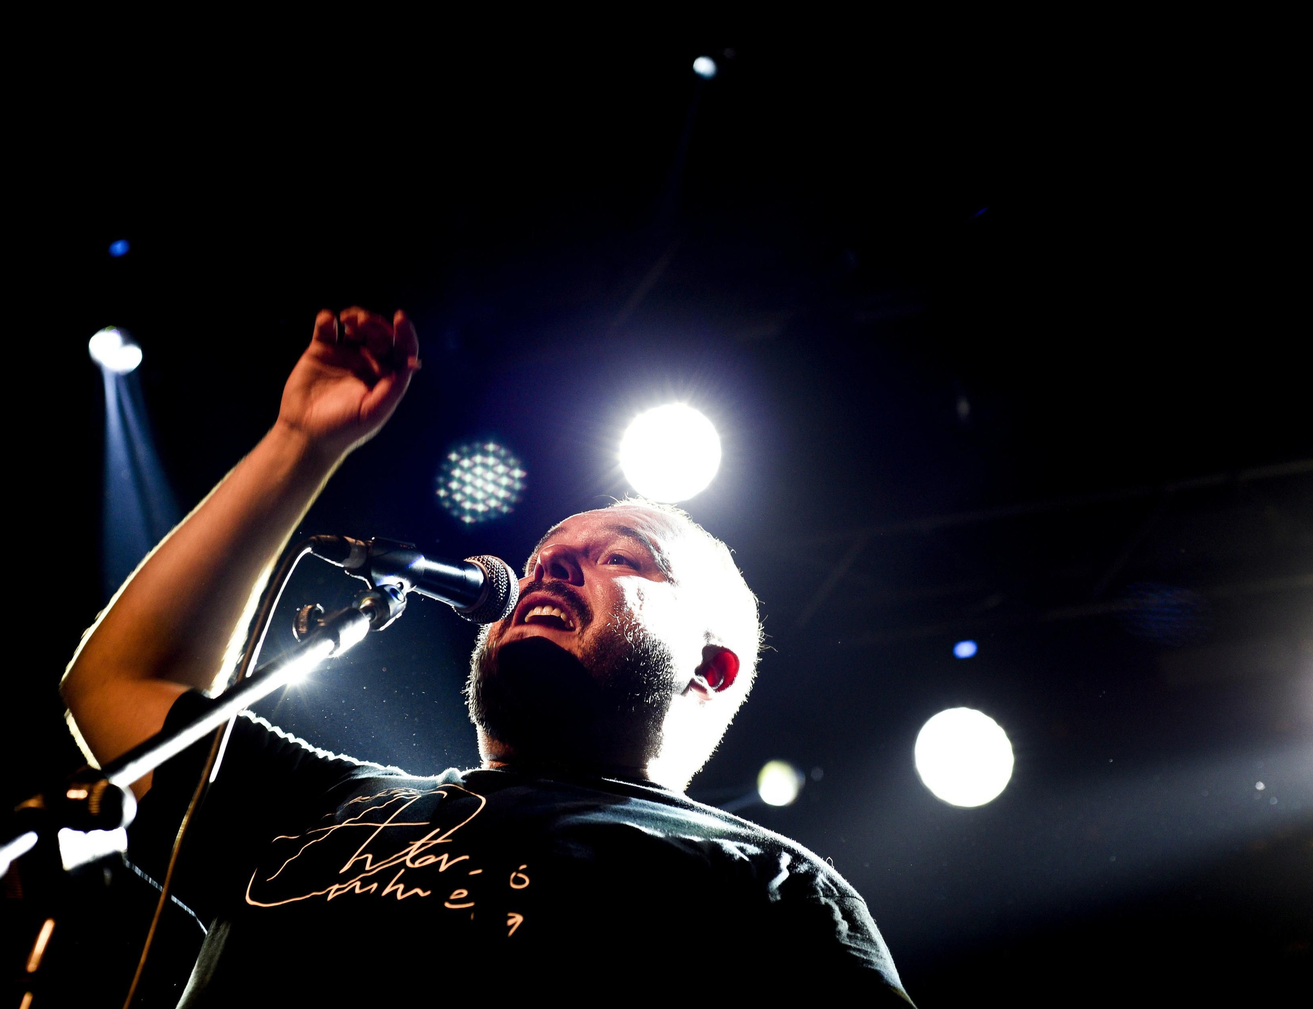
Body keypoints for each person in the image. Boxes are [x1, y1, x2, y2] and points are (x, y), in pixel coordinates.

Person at [61, 308, 915, 1004]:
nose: (553, 562)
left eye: (623, 557)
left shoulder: (765, 888)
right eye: (548, 554)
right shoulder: (326, 803)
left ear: (710, 668)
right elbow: (122, 682)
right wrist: (300, 445)